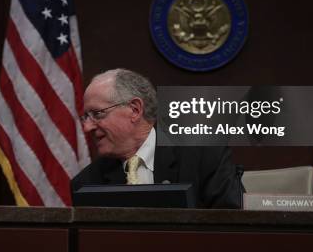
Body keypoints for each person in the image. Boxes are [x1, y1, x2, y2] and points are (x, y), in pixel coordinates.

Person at [71, 68, 243, 208]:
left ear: (135, 110)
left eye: (97, 114)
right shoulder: (87, 184)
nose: (87, 127)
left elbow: (234, 228)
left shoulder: (204, 156)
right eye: (86, 117)